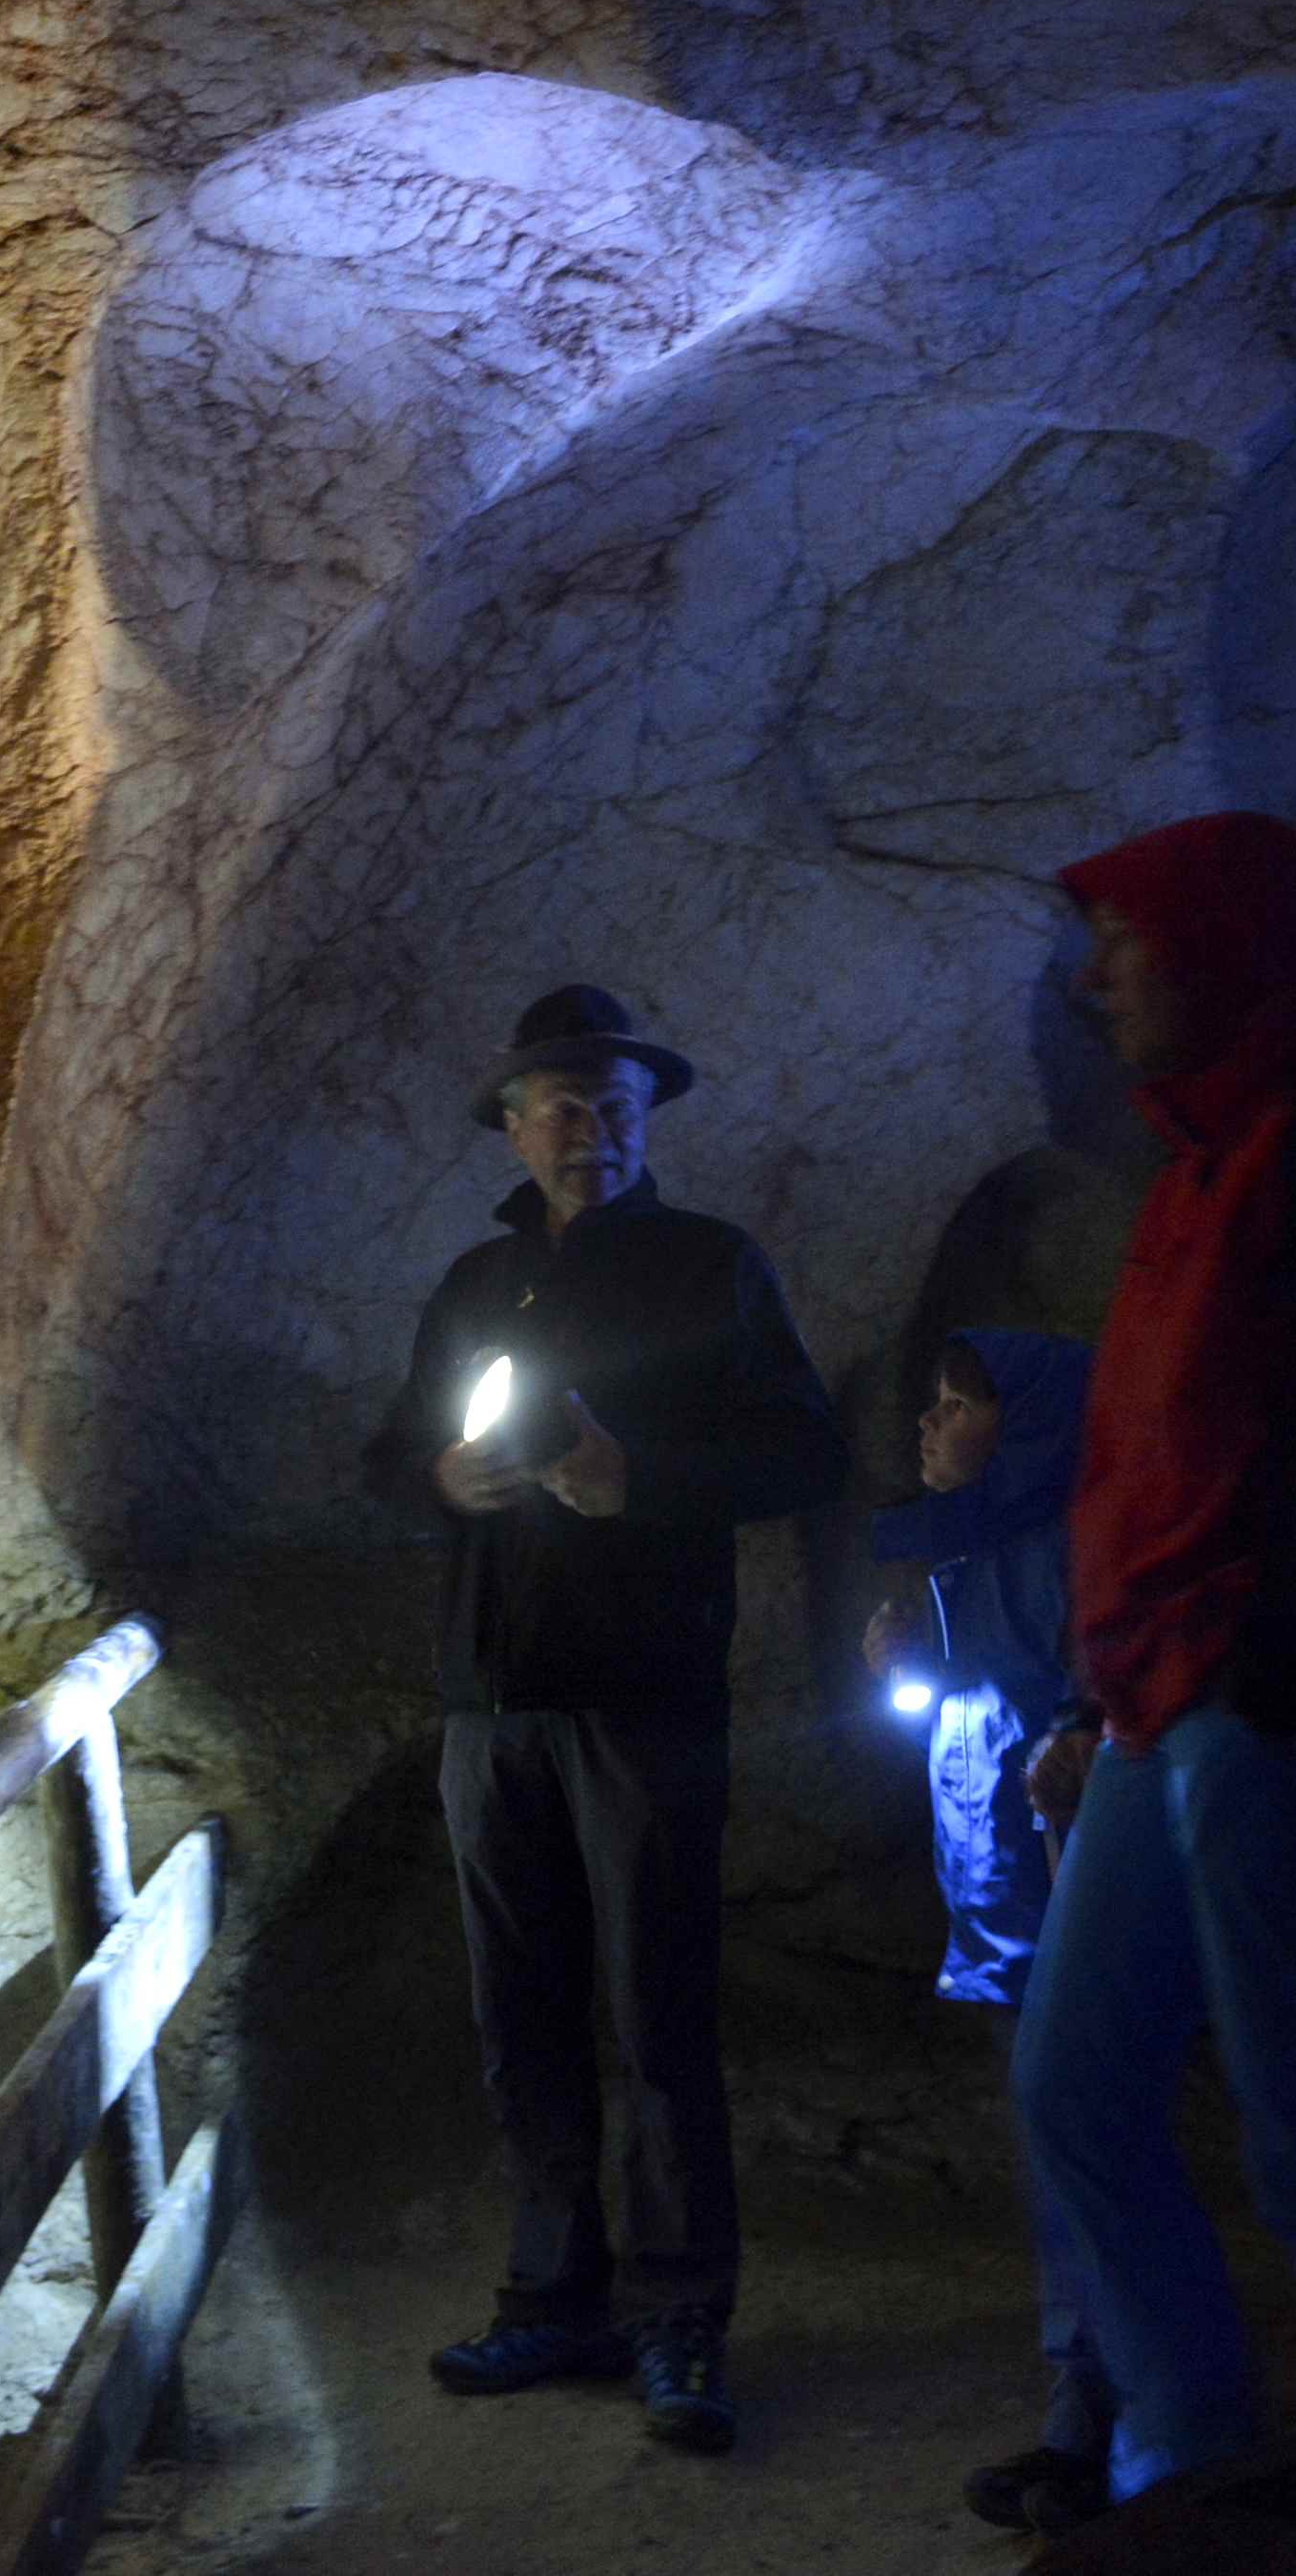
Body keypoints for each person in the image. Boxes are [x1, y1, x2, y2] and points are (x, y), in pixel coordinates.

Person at [1011, 813, 1296, 2503]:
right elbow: (1155, 1466)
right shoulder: (1204, 1165)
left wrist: (1278, 1673)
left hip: (1275, 1705)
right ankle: (1200, 2466)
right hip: (1180, 1705)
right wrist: (1107, 1690)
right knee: (1073, 2080)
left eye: (1124, 949)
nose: (1093, 985)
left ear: (1218, 951)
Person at [399, 984, 845, 2456]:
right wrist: (443, 1483)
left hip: (644, 1693)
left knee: (658, 2013)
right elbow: (390, 1458)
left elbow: (803, 1453)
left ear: (649, 1124)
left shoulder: (711, 1267)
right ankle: (553, 2297)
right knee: (519, 2013)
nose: (594, 1134)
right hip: (493, 1701)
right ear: (515, 1128)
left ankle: (679, 2323)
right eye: (566, 1110)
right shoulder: (473, 1284)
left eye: (619, 1109)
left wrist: (633, 1483)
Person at [861, 1329, 1121, 2529]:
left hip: (1066, 1835)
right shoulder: (955, 1546)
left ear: (1022, 1428)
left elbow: (1070, 1680)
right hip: (997, 1852)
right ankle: (1088, 2394)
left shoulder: (1071, 1542)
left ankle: (1109, 2410)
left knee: (1082, 2108)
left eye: (957, 1405)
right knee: (1046, 2105)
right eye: (931, 1403)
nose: (927, 1427)